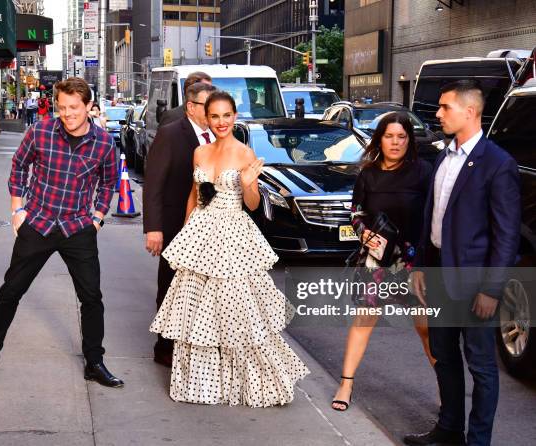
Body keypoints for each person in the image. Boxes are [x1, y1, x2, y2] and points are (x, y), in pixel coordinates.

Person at [149, 91, 309, 407]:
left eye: (226, 115)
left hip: (233, 235)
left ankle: (257, 382)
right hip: (201, 233)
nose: (221, 122)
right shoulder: (200, 152)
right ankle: (203, 384)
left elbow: (251, 204)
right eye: (215, 116)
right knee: (197, 312)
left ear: (234, 117)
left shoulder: (245, 154)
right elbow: (194, 196)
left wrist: (249, 182)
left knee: (240, 311)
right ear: (206, 118)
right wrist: (185, 238)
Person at [0, 77, 123, 388]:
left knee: (91, 297)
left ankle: (94, 361)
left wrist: (98, 218)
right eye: (62, 108)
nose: (68, 114)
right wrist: (17, 210)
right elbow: (19, 165)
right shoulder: (41, 130)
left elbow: (108, 183)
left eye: (74, 108)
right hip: (39, 222)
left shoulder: (104, 143)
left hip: (78, 227)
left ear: (89, 106)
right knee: (11, 291)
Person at [404, 80, 520, 446]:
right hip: (439, 272)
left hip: (474, 283)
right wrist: (421, 264)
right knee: (444, 354)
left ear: (470, 112)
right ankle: (449, 430)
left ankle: (478, 440)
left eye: (444, 107)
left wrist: (491, 289)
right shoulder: (443, 155)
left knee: (482, 367)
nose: (437, 114)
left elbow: (506, 236)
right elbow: (432, 215)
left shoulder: (498, 164)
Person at [330, 112, 434, 412]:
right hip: (375, 258)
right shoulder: (368, 174)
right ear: (379, 139)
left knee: (427, 327)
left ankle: (445, 390)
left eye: (402, 137)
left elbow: (430, 217)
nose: (396, 142)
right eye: (389, 136)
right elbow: (356, 212)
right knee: (364, 320)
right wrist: (368, 238)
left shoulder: (422, 172)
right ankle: (346, 383)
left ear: (409, 141)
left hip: (412, 260)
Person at [143, 82, 217, 367]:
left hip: (210, 229)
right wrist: (153, 227)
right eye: (207, 108)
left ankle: (194, 346)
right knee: (170, 287)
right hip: (175, 225)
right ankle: (164, 348)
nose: (212, 113)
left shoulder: (219, 136)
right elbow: (153, 184)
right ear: (191, 106)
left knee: (200, 291)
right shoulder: (171, 134)